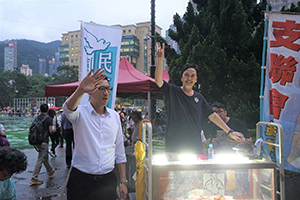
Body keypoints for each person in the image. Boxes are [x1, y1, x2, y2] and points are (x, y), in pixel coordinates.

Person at [155, 42, 245, 155]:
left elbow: (213, 116)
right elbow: (158, 81)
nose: (189, 78)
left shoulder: (199, 98)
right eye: (186, 75)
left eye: (192, 75)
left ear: (196, 79)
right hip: (174, 144)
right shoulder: (172, 91)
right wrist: (160, 61)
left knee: (192, 173)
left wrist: (230, 132)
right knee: (172, 172)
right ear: (181, 77)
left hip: (193, 145)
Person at [63, 68, 128, 200]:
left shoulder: (115, 116)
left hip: (107, 180)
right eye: (101, 89)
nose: (106, 93)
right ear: (90, 92)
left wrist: (123, 182)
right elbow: (67, 109)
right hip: (81, 179)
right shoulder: (80, 113)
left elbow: (120, 152)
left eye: (108, 89)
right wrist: (80, 90)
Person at [30, 103, 56, 185]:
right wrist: (54, 130)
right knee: (41, 159)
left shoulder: (36, 117)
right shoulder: (49, 119)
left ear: (40, 110)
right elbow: (51, 131)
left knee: (44, 157)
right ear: (48, 110)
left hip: (36, 140)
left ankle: (50, 171)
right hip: (44, 141)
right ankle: (34, 177)